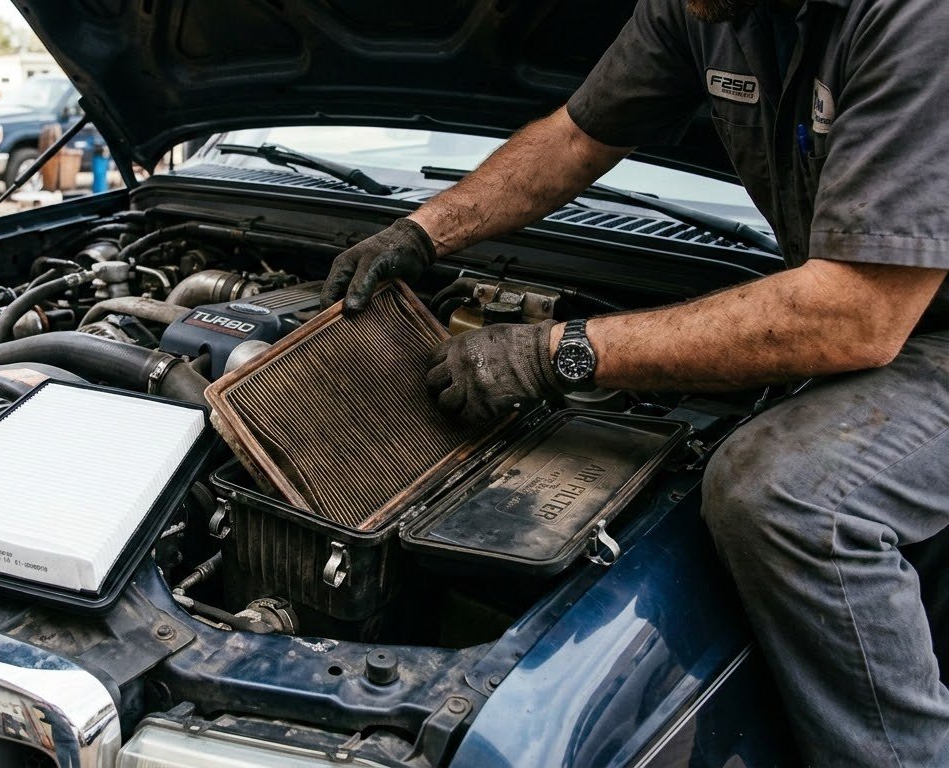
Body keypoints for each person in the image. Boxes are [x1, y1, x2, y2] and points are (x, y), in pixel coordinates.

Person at [320, 0, 949, 764]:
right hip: (864, 301)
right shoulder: (706, 8)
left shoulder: (918, 21)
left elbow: (858, 314)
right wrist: (422, 232)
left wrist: (559, 353)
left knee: (785, 494)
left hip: (916, 322)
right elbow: (578, 136)